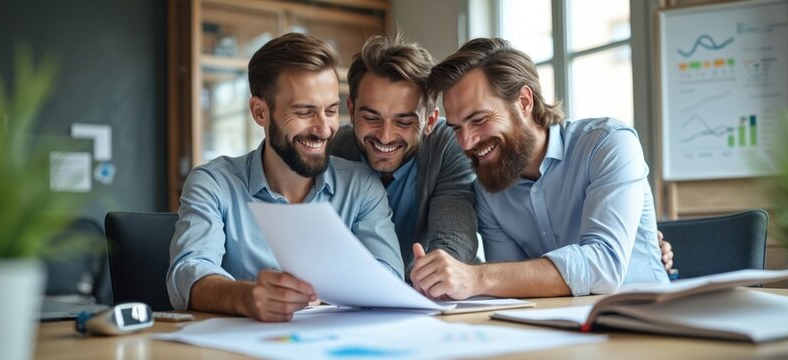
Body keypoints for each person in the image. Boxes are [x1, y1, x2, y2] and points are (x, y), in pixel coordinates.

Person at [166, 33, 403, 322]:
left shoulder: (362, 185)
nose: (324, 129)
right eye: (304, 112)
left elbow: (389, 276)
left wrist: (329, 290)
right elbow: (188, 272)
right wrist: (245, 297)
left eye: (330, 111)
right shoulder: (213, 184)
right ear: (260, 112)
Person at [411, 38, 670, 300]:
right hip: (558, 326)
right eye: (456, 127)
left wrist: (477, 277)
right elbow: (509, 287)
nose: (466, 142)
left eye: (478, 120)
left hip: (649, 319)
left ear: (524, 101)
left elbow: (604, 265)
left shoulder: (608, 144)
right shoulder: (487, 189)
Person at [329, 35, 479, 277]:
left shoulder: (447, 145)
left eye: (404, 121)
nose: (386, 136)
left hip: (428, 290)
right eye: (371, 117)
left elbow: (454, 239)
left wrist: (436, 276)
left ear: (429, 121)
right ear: (353, 111)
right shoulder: (332, 150)